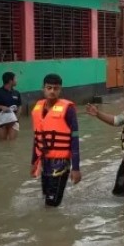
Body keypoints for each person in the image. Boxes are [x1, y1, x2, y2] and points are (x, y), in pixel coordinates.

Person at [30, 74, 81, 207]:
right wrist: (33, 162)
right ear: (43, 89)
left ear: (60, 90)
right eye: (49, 88)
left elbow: (74, 140)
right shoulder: (38, 108)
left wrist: (76, 168)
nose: (52, 91)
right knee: (46, 198)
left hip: (61, 163)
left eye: (56, 88)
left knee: (52, 203)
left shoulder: (68, 110)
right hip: (44, 161)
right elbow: (37, 138)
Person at [0, 71, 22, 141]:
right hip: (1, 122)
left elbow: (20, 106)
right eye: (15, 79)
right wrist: (1, 107)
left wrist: (16, 119)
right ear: (10, 81)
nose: (16, 81)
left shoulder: (16, 93)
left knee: (12, 143)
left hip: (13, 122)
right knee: (3, 142)